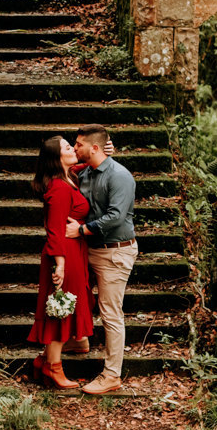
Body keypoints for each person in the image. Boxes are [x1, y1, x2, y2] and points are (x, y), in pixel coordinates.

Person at [67, 123, 137, 395]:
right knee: (77, 294)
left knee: (110, 313)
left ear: (94, 147)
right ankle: (79, 339)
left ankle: (111, 376)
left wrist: (81, 230)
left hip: (115, 251)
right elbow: (64, 169)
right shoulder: (85, 171)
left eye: (79, 145)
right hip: (90, 249)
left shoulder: (120, 176)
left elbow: (116, 216)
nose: (74, 148)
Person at [27, 136, 93, 389]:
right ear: (57, 158)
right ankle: (54, 367)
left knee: (67, 305)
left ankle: (44, 360)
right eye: (68, 148)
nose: (74, 149)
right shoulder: (60, 188)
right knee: (60, 308)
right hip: (63, 254)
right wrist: (61, 265)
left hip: (73, 252)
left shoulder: (68, 178)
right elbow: (54, 230)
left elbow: (82, 165)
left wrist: (105, 153)